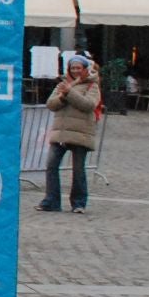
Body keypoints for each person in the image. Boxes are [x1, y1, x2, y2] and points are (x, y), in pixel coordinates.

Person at [40, 54, 100, 213]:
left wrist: (69, 93)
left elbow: (88, 105)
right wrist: (63, 94)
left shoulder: (92, 86)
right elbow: (51, 104)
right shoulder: (62, 84)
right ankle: (51, 200)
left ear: (85, 69)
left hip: (80, 133)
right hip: (60, 132)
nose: (75, 71)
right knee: (51, 166)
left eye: (78, 68)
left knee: (78, 170)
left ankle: (79, 203)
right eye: (73, 68)